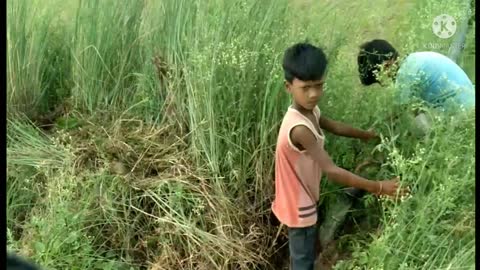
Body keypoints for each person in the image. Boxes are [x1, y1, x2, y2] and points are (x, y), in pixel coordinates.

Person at [271, 42, 409, 270]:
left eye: (319, 85)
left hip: (304, 195)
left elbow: (333, 126)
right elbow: (332, 171)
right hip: (298, 204)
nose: (314, 94)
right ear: (288, 86)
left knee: (308, 249)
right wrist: (379, 187)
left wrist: (366, 135)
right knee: (302, 259)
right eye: (306, 87)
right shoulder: (299, 129)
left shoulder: (309, 111)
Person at [357, 39, 475, 113]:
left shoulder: (405, 76)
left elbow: (397, 116)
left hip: (466, 112)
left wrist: (378, 133)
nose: (382, 85)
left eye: (379, 80)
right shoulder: (414, 59)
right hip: (469, 98)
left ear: (387, 66)